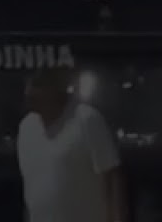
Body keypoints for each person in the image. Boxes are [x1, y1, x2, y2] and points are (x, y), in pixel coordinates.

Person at [16, 67, 127, 222]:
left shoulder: (86, 119)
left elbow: (112, 178)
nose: (28, 92)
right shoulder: (26, 128)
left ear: (55, 88)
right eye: (28, 85)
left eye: (37, 86)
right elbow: (31, 191)